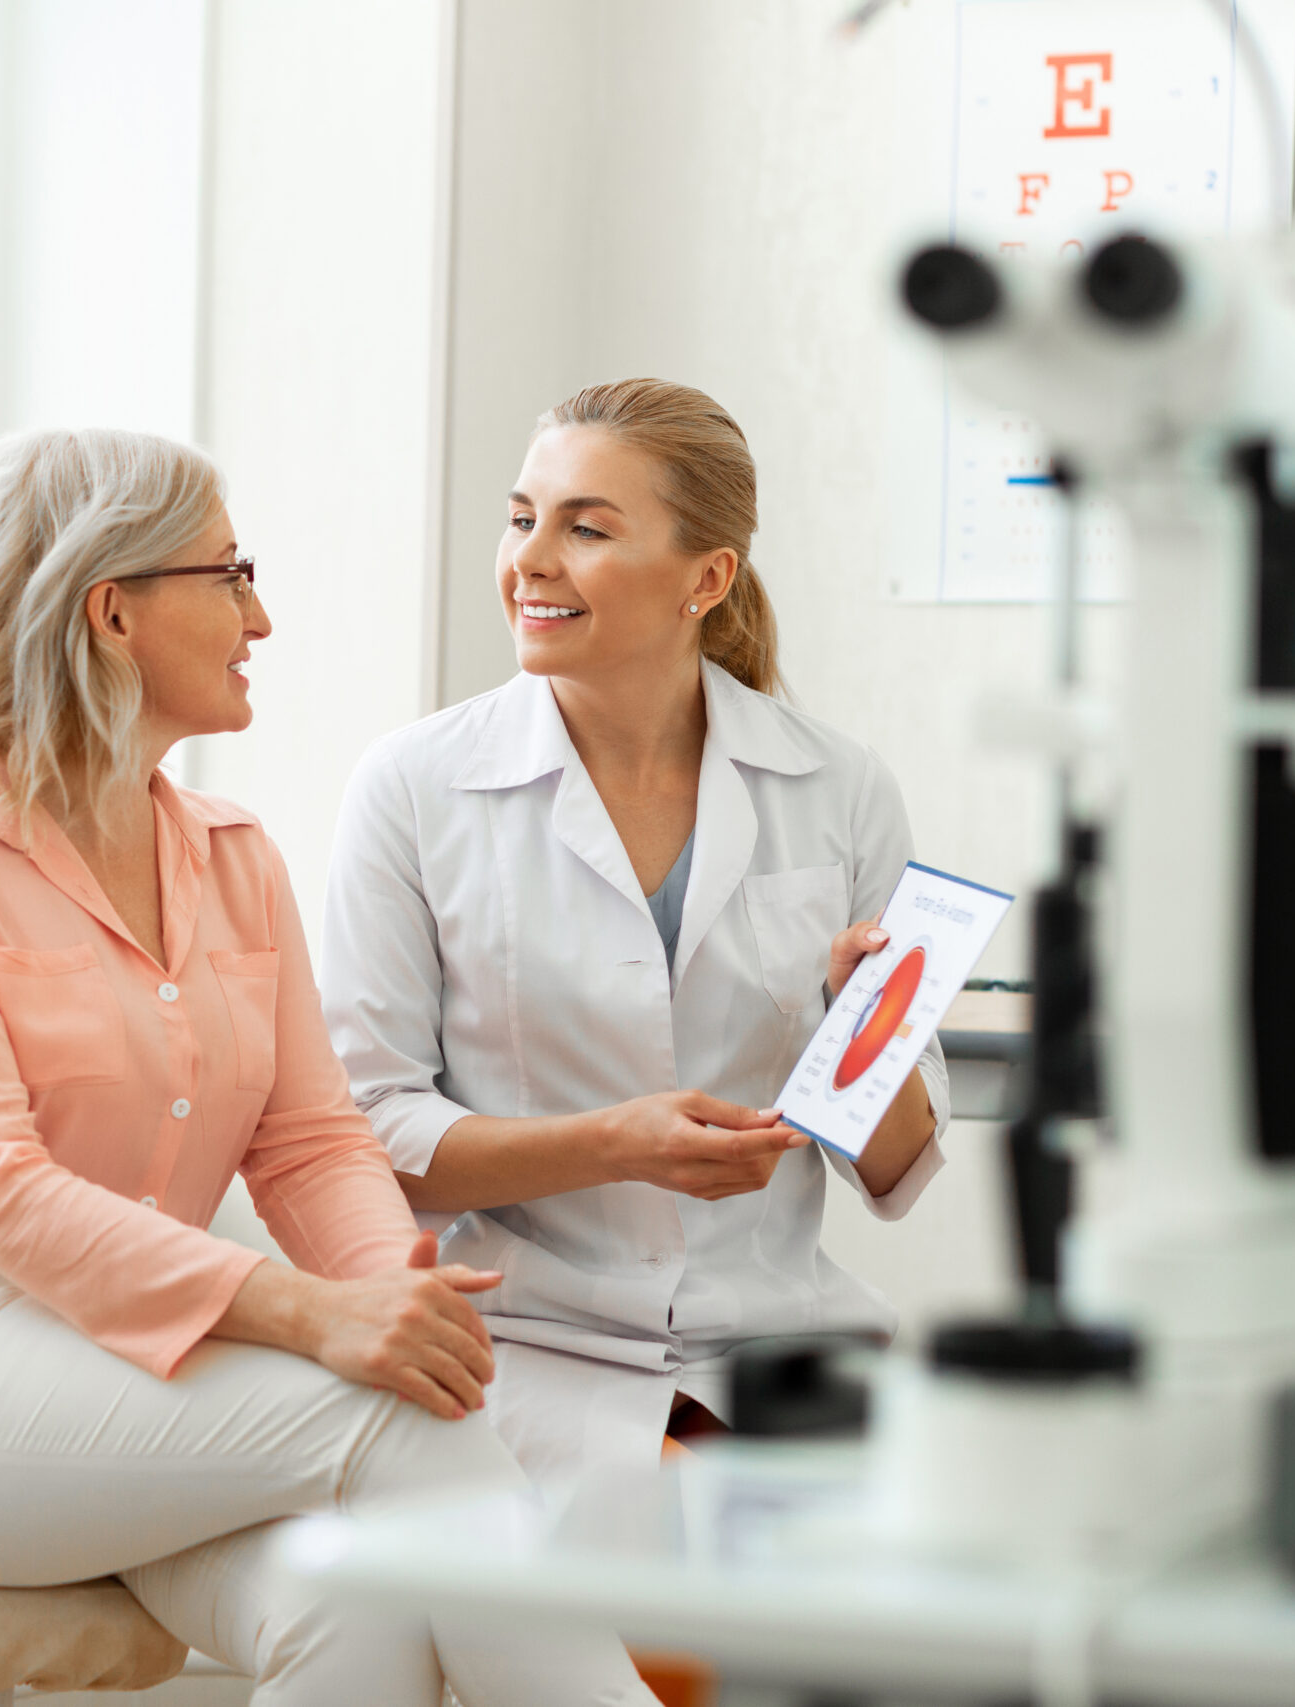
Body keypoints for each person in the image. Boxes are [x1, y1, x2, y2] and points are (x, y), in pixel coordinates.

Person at [0, 428, 659, 1707]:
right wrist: (314, 1317)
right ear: (111, 610)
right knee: (401, 1428)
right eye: (229, 574)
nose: (260, 615)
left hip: (98, 1353)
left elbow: (308, 1141)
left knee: (356, 1599)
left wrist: (397, 1299)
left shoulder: (231, 856)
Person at [321, 379, 949, 1484]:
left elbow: (896, 1166)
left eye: (586, 528)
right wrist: (611, 1144)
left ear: (705, 579)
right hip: (527, 1348)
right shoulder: (415, 786)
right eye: (523, 519)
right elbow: (368, 1132)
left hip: (782, 1347)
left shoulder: (836, 786)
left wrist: (869, 1034)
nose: (530, 561)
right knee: (686, 1604)